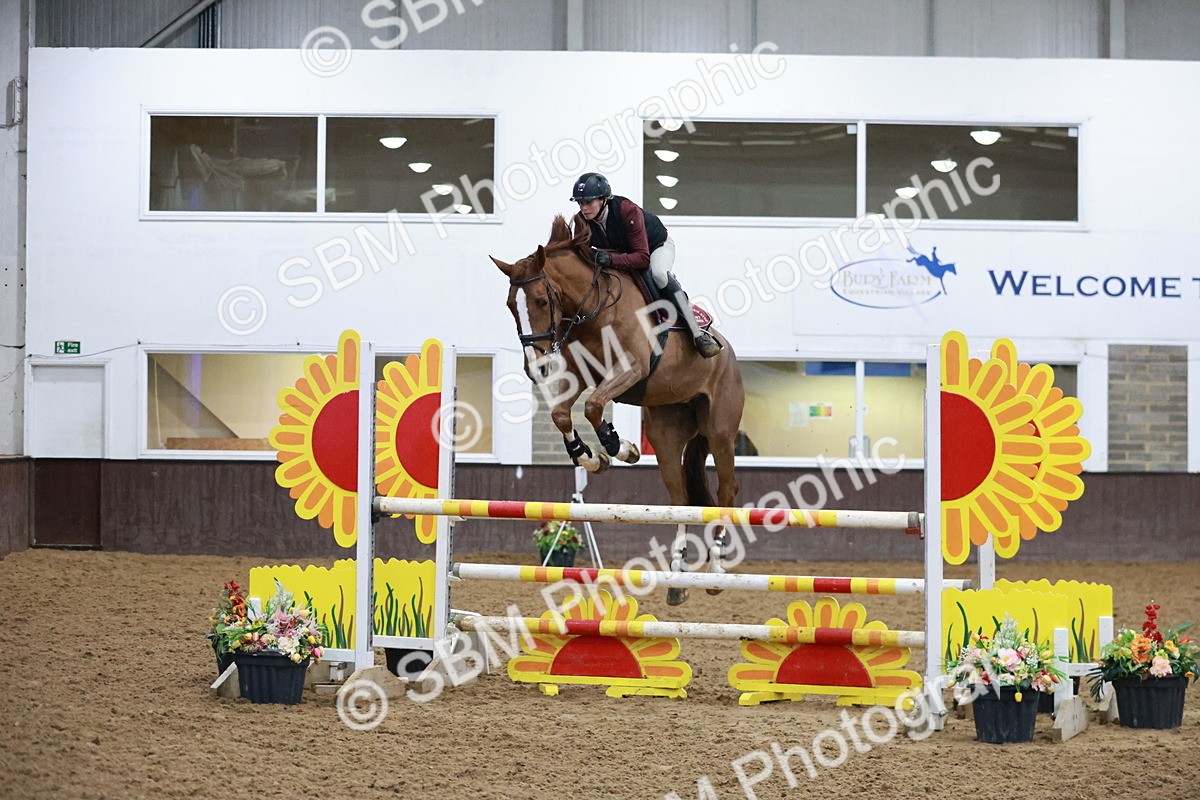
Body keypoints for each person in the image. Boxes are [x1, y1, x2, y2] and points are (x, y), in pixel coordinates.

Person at [570, 172, 721, 358]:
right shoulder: (580, 221)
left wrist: (611, 260)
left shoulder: (627, 211)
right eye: (580, 203)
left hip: (655, 247)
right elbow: (581, 257)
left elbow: (642, 259)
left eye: (589, 202)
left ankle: (698, 334)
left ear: (603, 200)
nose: (584, 208)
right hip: (622, 254)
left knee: (659, 274)